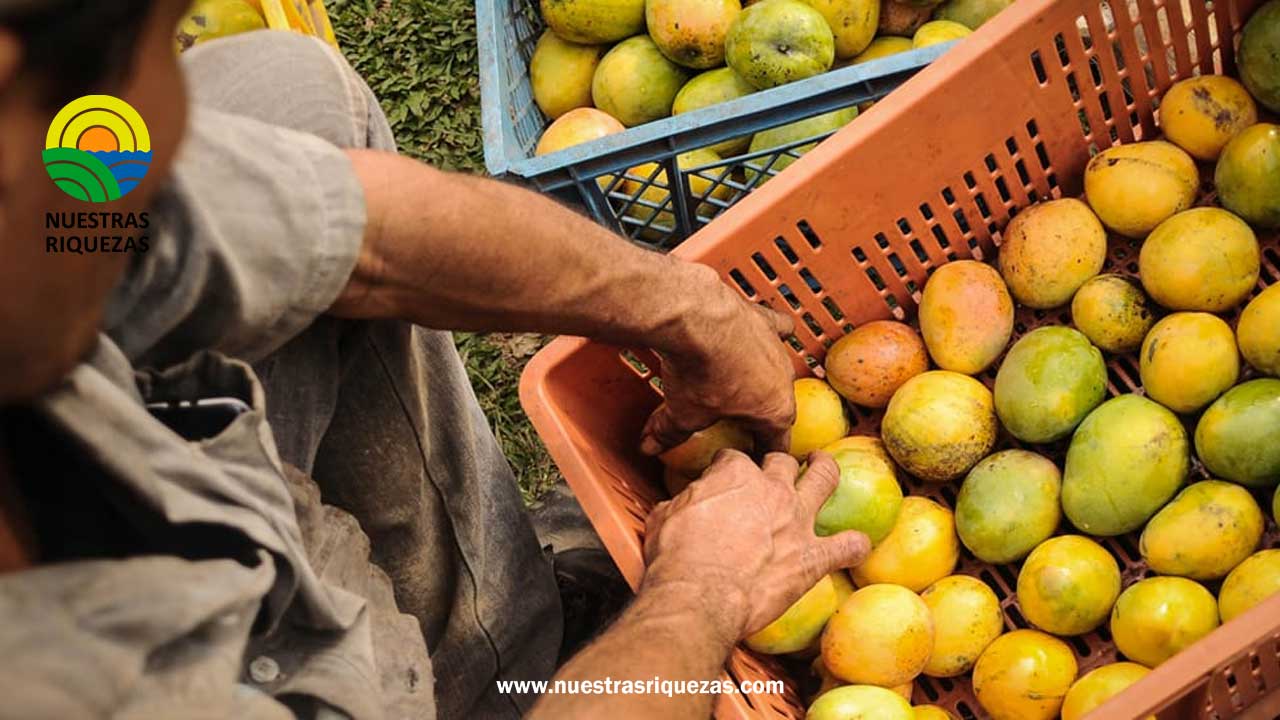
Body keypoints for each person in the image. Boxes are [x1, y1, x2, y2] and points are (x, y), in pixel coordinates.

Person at [0, 1, 870, 718]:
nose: (182, 77)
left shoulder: (61, 186)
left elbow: (360, 229)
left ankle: (496, 650)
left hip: (115, 462)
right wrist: (703, 591)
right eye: (170, 41)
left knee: (290, 96)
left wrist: (693, 310)